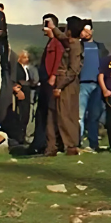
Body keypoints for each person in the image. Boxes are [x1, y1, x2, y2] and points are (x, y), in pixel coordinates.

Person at [45, 17, 84, 157]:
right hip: (63, 82)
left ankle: (71, 146)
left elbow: (73, 70)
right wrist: (53, 27)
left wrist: (60, 86)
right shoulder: (71, 42)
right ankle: (52, 146)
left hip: (66, 84)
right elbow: (62, 37)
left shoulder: (75, 46)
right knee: (53, 114)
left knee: (65, 114)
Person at [29, 14, 64, 154]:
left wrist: (53, 76)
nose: (43, 28)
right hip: (44, 81)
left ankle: (47, 143)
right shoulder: (50, 42)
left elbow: (58, 59)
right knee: (41, 113)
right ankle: (39, 142)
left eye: (45, 25)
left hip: (50, 81)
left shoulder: (57, 42)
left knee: (48, 113)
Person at [78, 21, 108, 150]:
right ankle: (77, 142)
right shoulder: (78, 46)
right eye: (83, 30)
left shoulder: (100, 47)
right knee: (79, 116)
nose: (86, 33)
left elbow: (106, 64)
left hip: (97, 85)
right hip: (81, 84)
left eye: (87, 30)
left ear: (92, 31)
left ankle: (93, 143)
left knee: (94, 116)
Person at [6, 50, 36, 146]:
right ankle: (19, 137)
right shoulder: (17, 68)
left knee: (26, 114)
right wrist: (18, 90)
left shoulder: (26, 68)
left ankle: (23, 136)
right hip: (21, 90)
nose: (27, 59)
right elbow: (17, 80)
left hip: (28, 90)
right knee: (21, 114)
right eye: (24, 57)